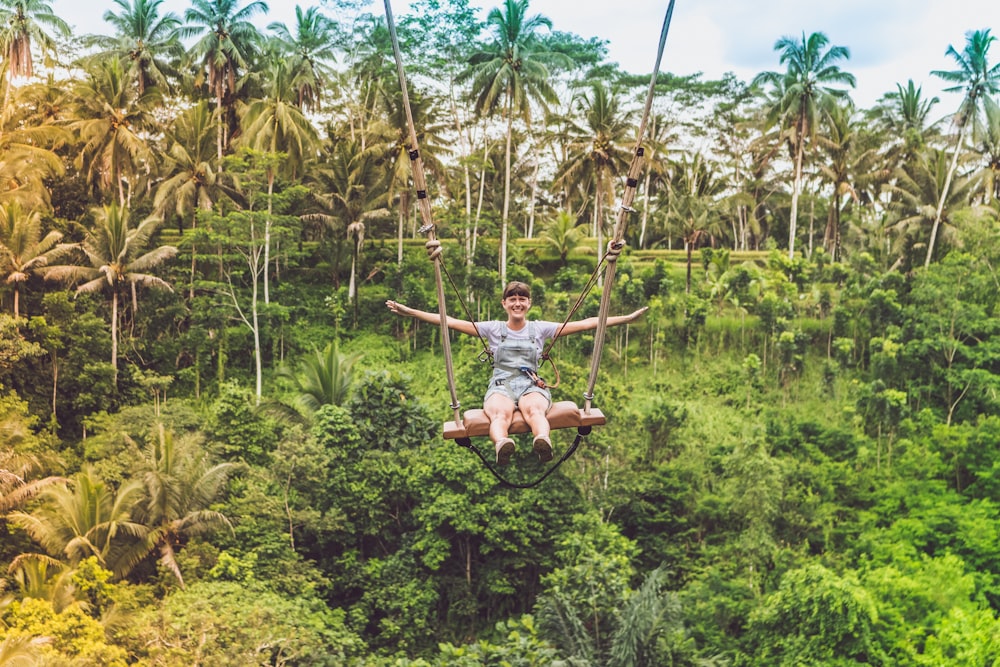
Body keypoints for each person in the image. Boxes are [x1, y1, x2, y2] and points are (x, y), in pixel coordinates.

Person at [386, 281, 648, 465]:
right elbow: (449, 321)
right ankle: (502, 445)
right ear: (504, 303)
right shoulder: (492, 328)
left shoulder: (541, 329)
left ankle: (542, 441)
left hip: (530, 384)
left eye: (522, 299)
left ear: (529, 303)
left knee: (534, 410)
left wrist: (625, 318)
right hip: (501, 384)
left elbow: (588, 323)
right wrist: (411, 312)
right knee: (500, 413)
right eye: (512, 299)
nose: (517, 303)